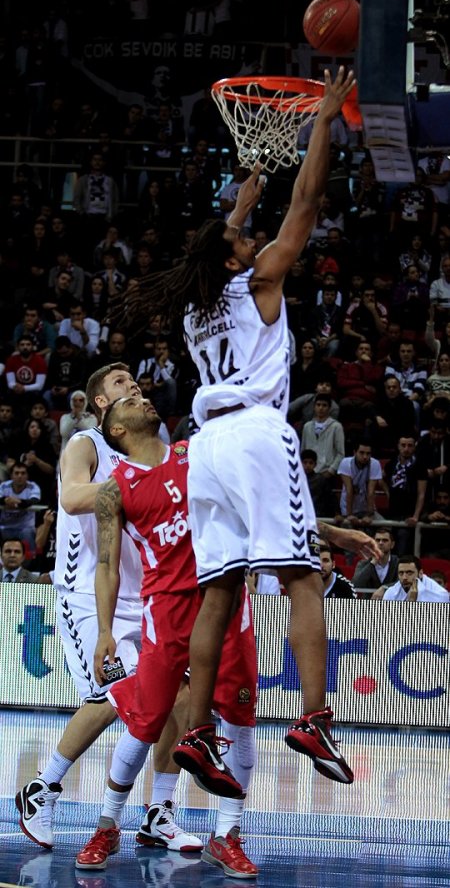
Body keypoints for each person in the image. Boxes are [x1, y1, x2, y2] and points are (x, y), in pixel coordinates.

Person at [118, 68, 380, 794]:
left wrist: (237, 203)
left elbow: (221, 238)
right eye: (244, 240)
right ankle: (315, 717)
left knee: (222, 592)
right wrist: (322, 122)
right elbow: (308, 201)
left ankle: (197, 731)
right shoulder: (261, 280)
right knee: (302, 577)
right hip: (260, 434)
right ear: (236, 259)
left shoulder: (197, 306)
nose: (255, 241)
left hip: (205, 448)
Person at [15, 363, 198, 853]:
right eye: (120, 384)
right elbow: (73, 497)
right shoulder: (86, 445)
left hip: (145, 594)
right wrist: (145, 484)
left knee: (178, 699)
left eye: (134, 384)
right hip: (88, 595)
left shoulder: (143, 452)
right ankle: (42, 788)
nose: (132, 387)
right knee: (121, 694)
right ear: (100, 403)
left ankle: (160, 811)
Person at [75, 395, 258, 877]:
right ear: (116, 429)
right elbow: (107, 565)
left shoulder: (194, 453)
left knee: (239, 718)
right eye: (130, 400)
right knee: (145, 721)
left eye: (140, 394)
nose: (142, 398)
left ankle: (228, 833)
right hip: (167, 611)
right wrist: (105, 632)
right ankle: (108, 824)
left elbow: (248, 500)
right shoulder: (114, 489)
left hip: (222, 599)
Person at [337, 441, 384, 527]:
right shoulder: (345, 463)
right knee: (349, 530)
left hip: (366, 508)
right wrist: (349, 515)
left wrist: (369, 515)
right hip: (347, 509)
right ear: (355, 452)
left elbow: (370, 492)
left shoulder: (375, 464)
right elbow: (349, 490)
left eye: (368, 453)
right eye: (362, 453)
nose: (365, 456)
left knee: (385, 526)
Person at [300, 394, 345, 478]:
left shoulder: (336, 426)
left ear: (329, 408)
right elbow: (303, 449)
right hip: (308, 472)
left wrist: (331, 471)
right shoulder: (307, 426)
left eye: (324, 405)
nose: (321, 408)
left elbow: (340, 453)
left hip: (326, 473)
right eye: (318, 405)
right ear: (314, 407)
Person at [0, 461, 41, 550]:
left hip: (25, 527)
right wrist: (5, 500)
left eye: (23, 473)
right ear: (11, 475)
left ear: (27, 476)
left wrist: (16, 501)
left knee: (28, 533)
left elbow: (34, 500)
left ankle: (30, 561)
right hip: (5, 527)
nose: (20, 476)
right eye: (16, 473)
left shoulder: (33, 486)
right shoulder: (4, 486)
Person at [353, 527, 399, 599]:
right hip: (368, 605)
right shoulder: (363, 563)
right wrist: (372, 563)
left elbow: (403, 582)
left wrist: (385, 588)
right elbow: (356, 584)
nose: (380, 543)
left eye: (385, 540)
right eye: (378, 540)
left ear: (392, 544)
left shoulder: (398, 563)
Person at [382, 555, 449, 603]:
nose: (404, 578)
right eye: (401, 573)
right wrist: (411, 600)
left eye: (409, 573)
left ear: (420, 573)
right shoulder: (391, 593)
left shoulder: (440, 594)